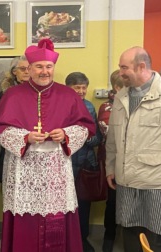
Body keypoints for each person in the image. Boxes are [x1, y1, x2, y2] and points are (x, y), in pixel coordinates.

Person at [0, 39, 96, 252]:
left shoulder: (68, 95)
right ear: (29, 69)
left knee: (56, 217)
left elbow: (86, 127)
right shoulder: (12, 95)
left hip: (55, 168)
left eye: (49, 67)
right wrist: (25, 138)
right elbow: (0, 129)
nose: (44, 71)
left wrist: (66, 134)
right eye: (39, 66)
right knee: (25, 219)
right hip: (23, 168)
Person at [105, 46, 161, 251]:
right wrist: (110, 167)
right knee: (129, 236)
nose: (120, 73)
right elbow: (113, 138)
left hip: (159, 182)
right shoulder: (121, 97)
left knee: (159, 239)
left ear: (141, 66)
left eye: (124, 67)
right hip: (126, 181)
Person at [65, 72, 102, 252]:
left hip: (84, 165)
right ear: (68, 88)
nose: (81, 91)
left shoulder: (89, 107)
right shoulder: (59, 106)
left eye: (83, 87)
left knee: (83, 206)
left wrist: (85, 137)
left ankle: (82, 240)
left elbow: (97, 139)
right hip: (63, 164)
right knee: (64, 206)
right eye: (76, 87)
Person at [98, 69, 125, 252]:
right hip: (113, 162)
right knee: (113, 202)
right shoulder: (107, 107)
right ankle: (109, 237)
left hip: (134, 164)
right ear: (117, 87)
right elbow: (109, 133)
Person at [0, 55, 30, 183]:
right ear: (14, 72)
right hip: (12, 146)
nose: (27, 71)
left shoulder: (40, 92)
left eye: (29, 68)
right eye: (22, 68)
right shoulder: (5, 94)